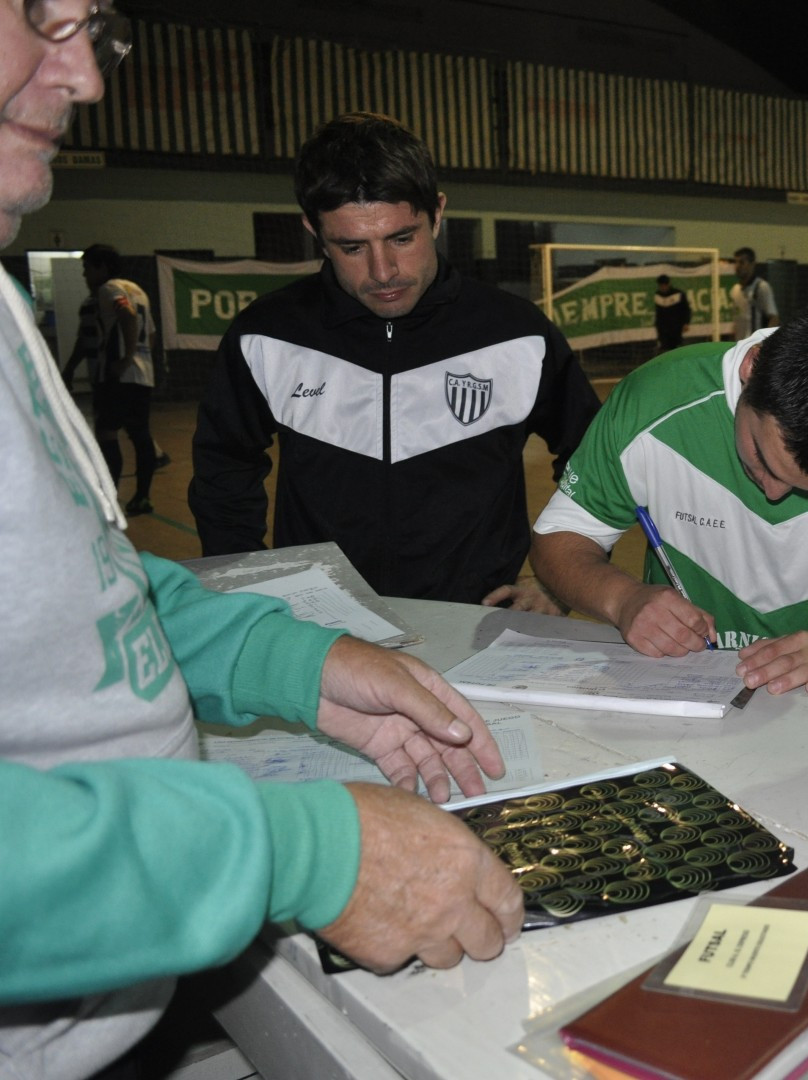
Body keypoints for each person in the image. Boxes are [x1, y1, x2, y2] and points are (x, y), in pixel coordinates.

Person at [0, 10, 522, 1079]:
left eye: (93, 24)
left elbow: (75, 587)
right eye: (36, 13)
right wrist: (297, 851)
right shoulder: (268, 334)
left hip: (110, 979)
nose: (85, 73)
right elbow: (225, 473)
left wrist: (287, 660)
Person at [189, 112, 600, 607]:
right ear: (313, 230)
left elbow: (594, 462)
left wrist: (562, 581)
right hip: (322, 627)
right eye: (352, 247)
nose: (383, 272)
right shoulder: (267, 334)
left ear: (437, 213)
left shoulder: (517, 333)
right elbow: (225, 469)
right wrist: (243, 589)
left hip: (479, 623)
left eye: (402, 238)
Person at [529, 294, 808, 700]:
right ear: (751, 369)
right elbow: (559, 539)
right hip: (678, 686)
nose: (773, 492)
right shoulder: (655, 400)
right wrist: (622, 598)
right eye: (762, 457)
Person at [80, 243, 158, 516]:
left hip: (118, 376)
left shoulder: (108, 289)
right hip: (143, 375)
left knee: (107, 433)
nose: (85, 275)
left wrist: (126, 358)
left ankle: (110, 499)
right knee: (141, 435)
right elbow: (151, 334)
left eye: (87, 268)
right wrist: (141, 358)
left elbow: (127, 314)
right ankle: (142, 497)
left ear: (102, 267)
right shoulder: (138, 290)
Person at [728, 246, 777, 340]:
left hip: (754, 343)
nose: (737, 266)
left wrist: (763, 341)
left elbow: (774, 318)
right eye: (735, 262)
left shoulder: (761, 287)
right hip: (739, 344)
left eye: (742, 262)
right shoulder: (735, 290)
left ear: (752, 264)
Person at [651, 273, 691, 352]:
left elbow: (686, 309)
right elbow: (658, 313)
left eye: (664, 285)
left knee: (676, 348)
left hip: (676, 327)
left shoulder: (678, 294)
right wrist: (657, 326)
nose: (663, 287)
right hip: (663, 329)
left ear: (668, 284)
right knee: (664, 349)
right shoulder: (658, 295)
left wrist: (686, 322)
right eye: (661, 286)